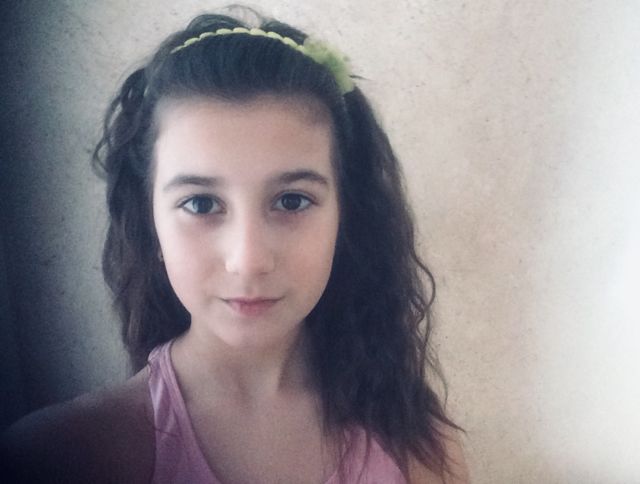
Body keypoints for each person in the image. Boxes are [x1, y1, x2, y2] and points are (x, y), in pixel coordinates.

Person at [1, 8, 469, 483]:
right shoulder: (60, 457)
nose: (248, 260)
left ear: (345, 217)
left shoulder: (417, 444)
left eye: (292, 200)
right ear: (149, 224)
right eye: (201, 204)